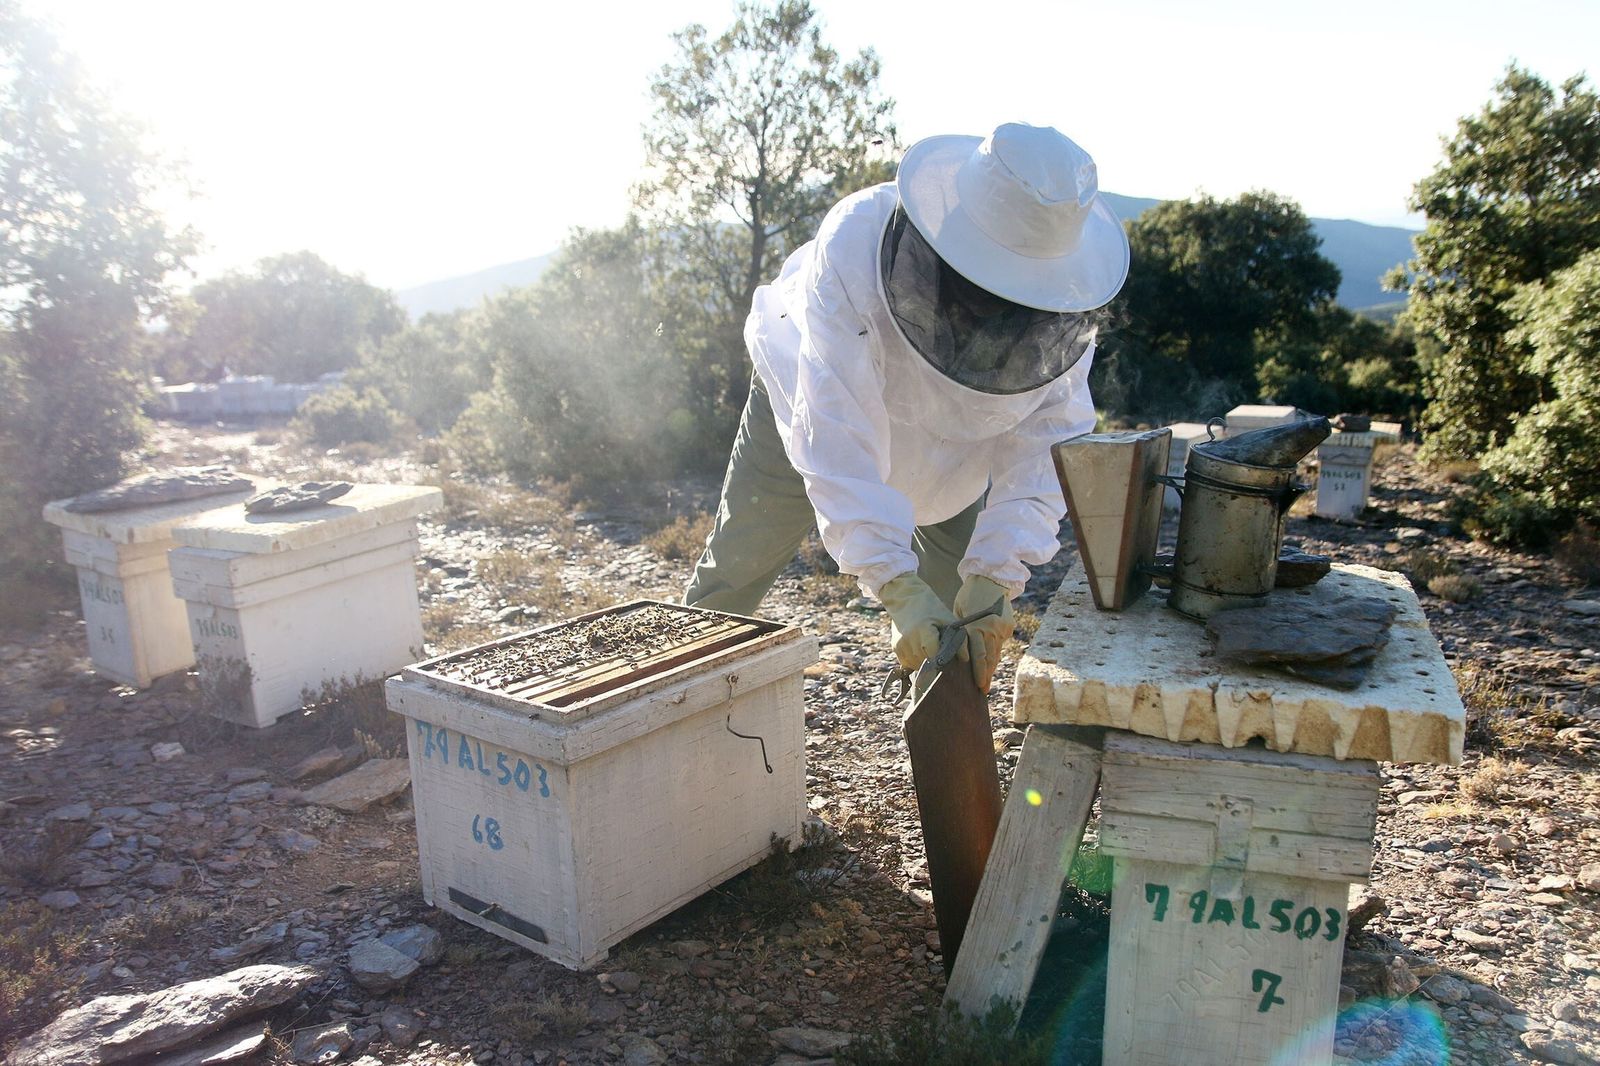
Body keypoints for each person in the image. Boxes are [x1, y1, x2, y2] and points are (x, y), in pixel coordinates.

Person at [683, 122, 1130, 692]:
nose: (993, 313)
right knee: (738, 567)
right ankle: (671, 708)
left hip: (957, 456)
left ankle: (943, 756)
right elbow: (835, 437)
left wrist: (996, 571)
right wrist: (894, 582)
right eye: (984, 290)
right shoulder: (853, 250)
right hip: (805, 406)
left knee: (958, 622)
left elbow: (1046, 447)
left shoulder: (1063, 309)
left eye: (1016, 298)